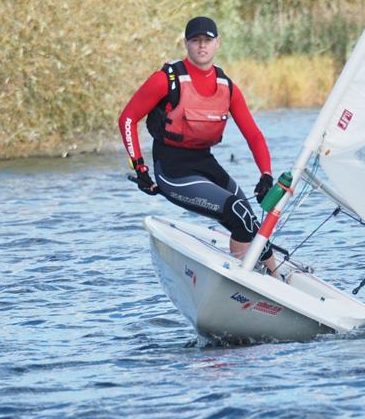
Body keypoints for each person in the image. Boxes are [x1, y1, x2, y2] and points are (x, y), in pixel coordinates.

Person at [118, 16, 276, 271]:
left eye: (207, 40)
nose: (202, 46)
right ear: (186, 44)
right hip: (173, 170)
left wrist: (266, 175)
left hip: (204, 162)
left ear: (217, 44)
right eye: (195, 41)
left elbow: (254, 135)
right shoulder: (165, 80)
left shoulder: (228, 87)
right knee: (238, 214)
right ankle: (240, 279)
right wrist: (140, 169)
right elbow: (127, 119)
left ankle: (275, 276)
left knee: (251, 222)